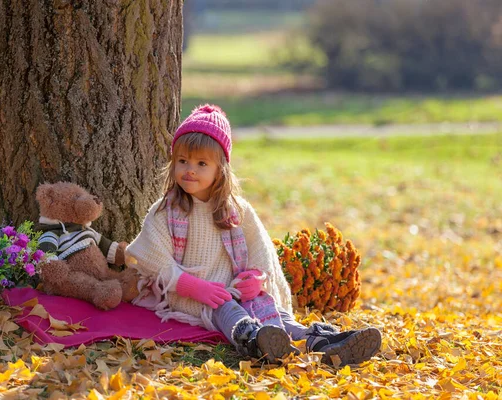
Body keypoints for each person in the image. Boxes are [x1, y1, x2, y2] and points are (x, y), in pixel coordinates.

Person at [125, 104, 381, 365]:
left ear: (220, 169)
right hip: (192, 298)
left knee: (270, 310)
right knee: (227, 309)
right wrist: (195, 286)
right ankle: (254, 341)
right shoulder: (167, 211)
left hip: (234, 289)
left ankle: (323, 342)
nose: (189, 169)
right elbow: (149, 257)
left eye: (201, 163)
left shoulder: (236, 210)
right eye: (182, 161)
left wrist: (257, 278)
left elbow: (262, 252)